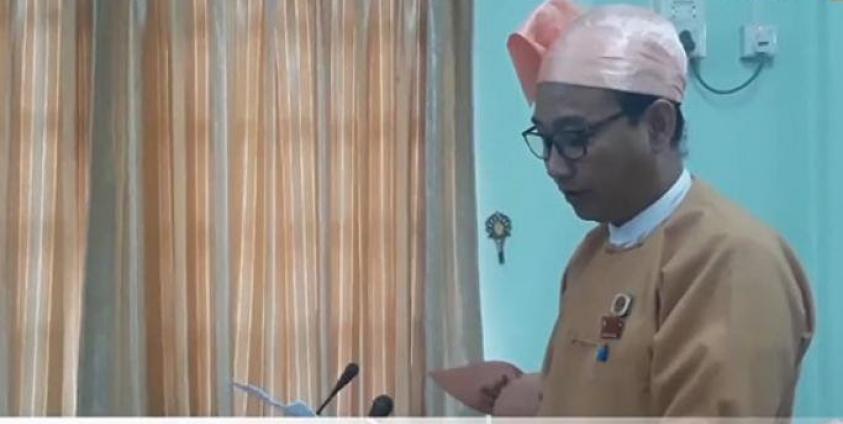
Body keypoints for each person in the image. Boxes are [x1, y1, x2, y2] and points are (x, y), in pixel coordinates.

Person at [486, 0, 816, 417]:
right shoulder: (591, 255)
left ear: (658, 126)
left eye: (574, 138)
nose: (554, 165)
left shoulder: (731, 261)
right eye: (546, 140)